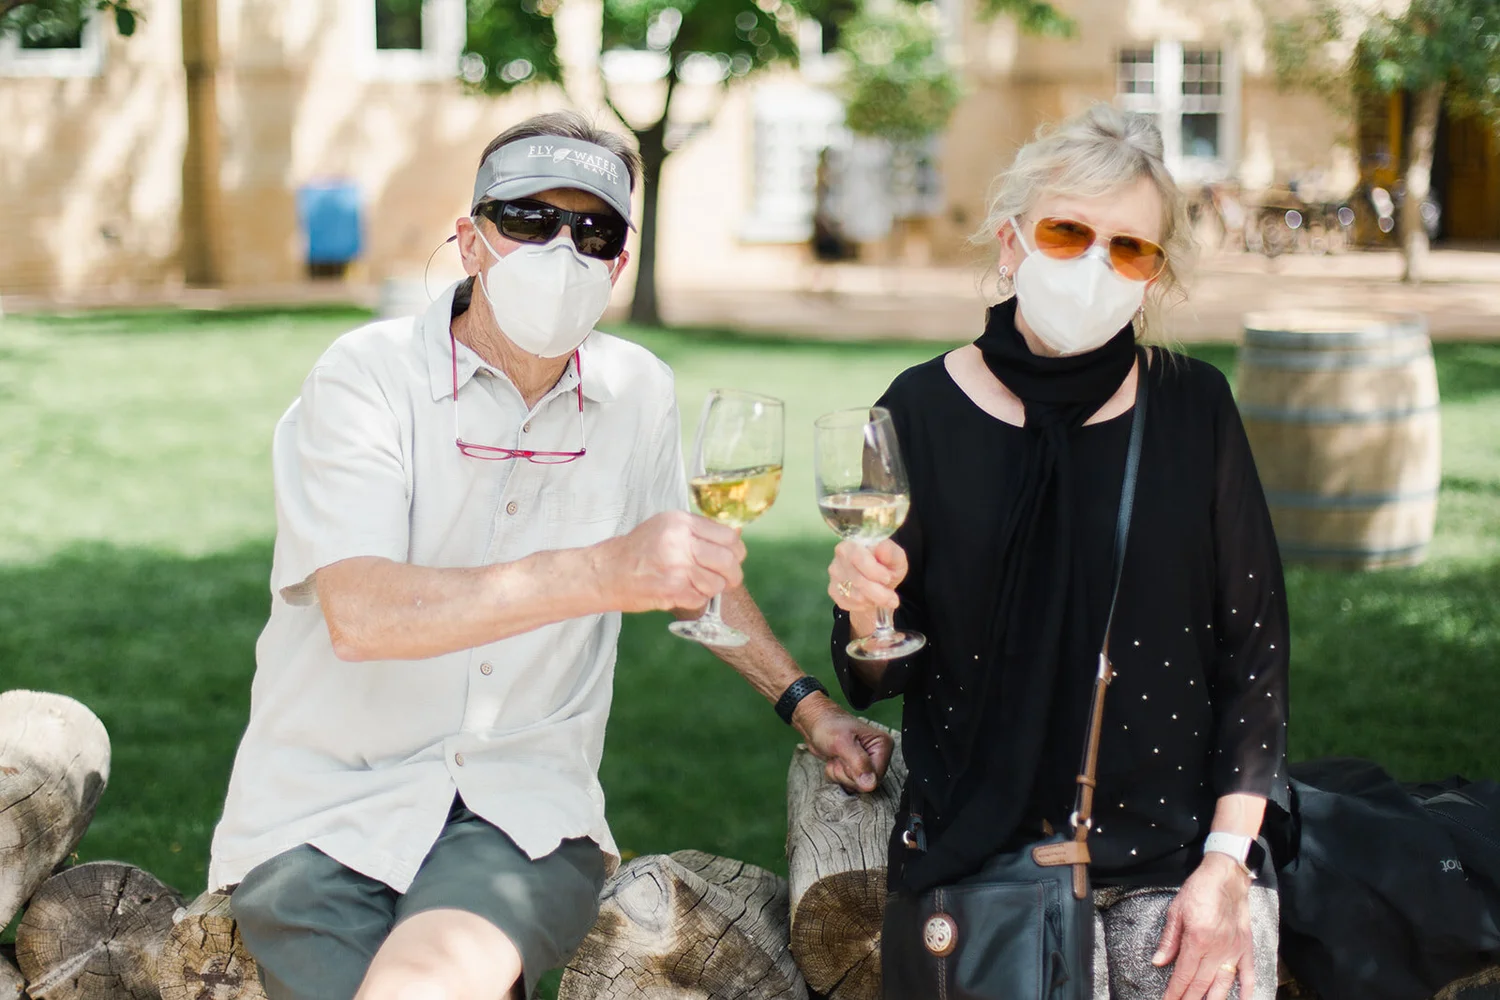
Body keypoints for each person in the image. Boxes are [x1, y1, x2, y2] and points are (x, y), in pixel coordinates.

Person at [209, 111, 894, 1000]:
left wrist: (807, 705)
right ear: (471, 240)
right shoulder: (366, 376)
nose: (562, 250)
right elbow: (363, 616)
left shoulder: (637, 390)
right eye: (530, 220)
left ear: (618, 264)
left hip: (519, 811)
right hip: (324, 808)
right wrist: (604, 571)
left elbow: (690, 579)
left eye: (592, 231)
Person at [826, 104, 1288, 1000]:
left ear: (1153, 278)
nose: (1095, 265)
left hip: (1179, 851)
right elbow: (878, 675)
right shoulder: (919, 408)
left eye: (1130, 248)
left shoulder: (1194, 406)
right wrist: (866, 608)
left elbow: (1256, 655)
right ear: (1011, 244)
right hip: (983, 854)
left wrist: (1227, 862)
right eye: (1067, 233)